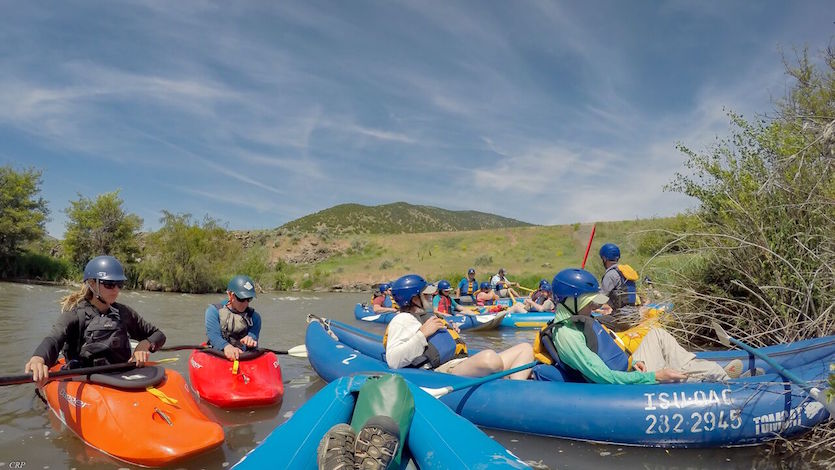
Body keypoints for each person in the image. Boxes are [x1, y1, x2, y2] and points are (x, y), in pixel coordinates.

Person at [532, 268, 742, 384]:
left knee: (657, 334)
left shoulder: (579, 322)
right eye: (589, 302)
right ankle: (721, 381)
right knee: (667, 374)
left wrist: (636, 364)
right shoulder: (567, 335)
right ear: (571, 302)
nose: (595, 306)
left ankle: (716, 374)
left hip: (630, 369)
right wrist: (653, 376)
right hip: (623, 386)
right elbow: (602, 376)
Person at [24, 255, 166, 384]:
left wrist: (145, 344)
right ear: (92, 284)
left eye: (119, 284)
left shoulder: (124, 312)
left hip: (120, 377)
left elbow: (158, 335)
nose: (116, 290)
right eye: (109, 284)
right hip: (85, 379)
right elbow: (54, 339)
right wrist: (38, 358)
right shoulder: (75, 314)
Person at [384, 274, 533, 380]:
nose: (431, 296)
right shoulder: (402, 320)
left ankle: (515, 387)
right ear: (414, 299)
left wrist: (449, 333)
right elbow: (394, 360)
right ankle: (505, 380)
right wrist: (422, 335)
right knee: (490, 358)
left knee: (525, 348)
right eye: (427, 295)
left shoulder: (427, 317)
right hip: (446, 371)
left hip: (461, 362)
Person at [205, 275, 262, 361]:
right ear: (230, 295)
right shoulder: (213, 311)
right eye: (241, 299)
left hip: (243, 356)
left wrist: (250, 339)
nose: (245, 303)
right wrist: (226, 346)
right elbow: (213, 335)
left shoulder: (255, 317)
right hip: (219, 354)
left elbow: (253, 335)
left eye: (249, 299)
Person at [598, 243, 642, 315]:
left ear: (604, 258)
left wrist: (587, 306)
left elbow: (601, 299)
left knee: (593, 321)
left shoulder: (610, 274)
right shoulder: (626, 271)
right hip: (634, 314)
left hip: (621, 317)